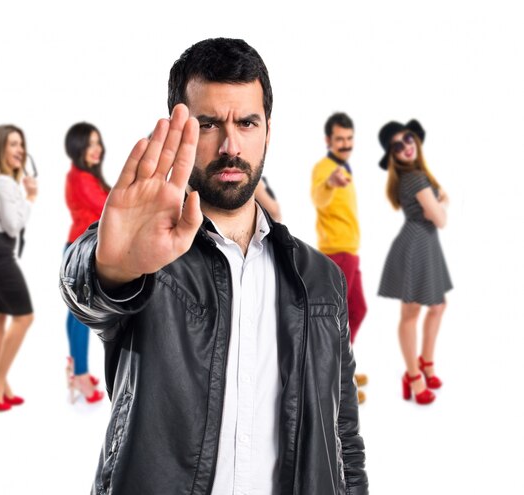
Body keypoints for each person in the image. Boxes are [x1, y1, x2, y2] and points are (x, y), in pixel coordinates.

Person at [60, 38, 368, 494]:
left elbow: (343, 439)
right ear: (180, 130)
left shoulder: (321, 279)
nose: (230, 145)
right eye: (208, 124)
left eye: (247, 122)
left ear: (268, 130)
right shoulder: (149, 257)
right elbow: (87, 292)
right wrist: (110, 267)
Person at [377, 119, 452, 405]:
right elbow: (441, 220)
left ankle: (426, 362)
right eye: (397, 145)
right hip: (416, 245)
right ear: (393, 155)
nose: (406, 146)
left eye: (408, 139)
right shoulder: (416, 179)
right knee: (411, 314)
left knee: (437, 305)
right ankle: (413, 375)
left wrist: (438, 198)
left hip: (425, 243)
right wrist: (443, 201)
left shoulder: (418, 176)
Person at [0, 124, 37, 412]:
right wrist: (31, 198)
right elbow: (13, 227)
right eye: (13, 144)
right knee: (25, 317)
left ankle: (2, 384)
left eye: (21, 144)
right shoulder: (4, 183)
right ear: (0, 148)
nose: (20, 150)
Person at [310, 112, 368, 403]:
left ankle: (344, 368)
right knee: (338, 317)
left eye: (349, 138)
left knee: (357, 310)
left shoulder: (345, 167)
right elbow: (319, 197)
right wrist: (330, 184)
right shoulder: (326, 169)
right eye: (339, 139)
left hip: (350, 250)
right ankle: (336, 382)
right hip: (336, 251)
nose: (345, 144)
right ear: (328, 141)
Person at [63, 122, 109, 404]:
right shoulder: (80, 178)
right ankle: (79, 374)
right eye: (90, 144)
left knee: (74, 314)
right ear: (77, 147)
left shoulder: (86, 176)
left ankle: (74, 364)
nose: (97, 149)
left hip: (78, 248)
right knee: (81, 315)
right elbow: (108, 208)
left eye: (98, 142)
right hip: (80, 252)